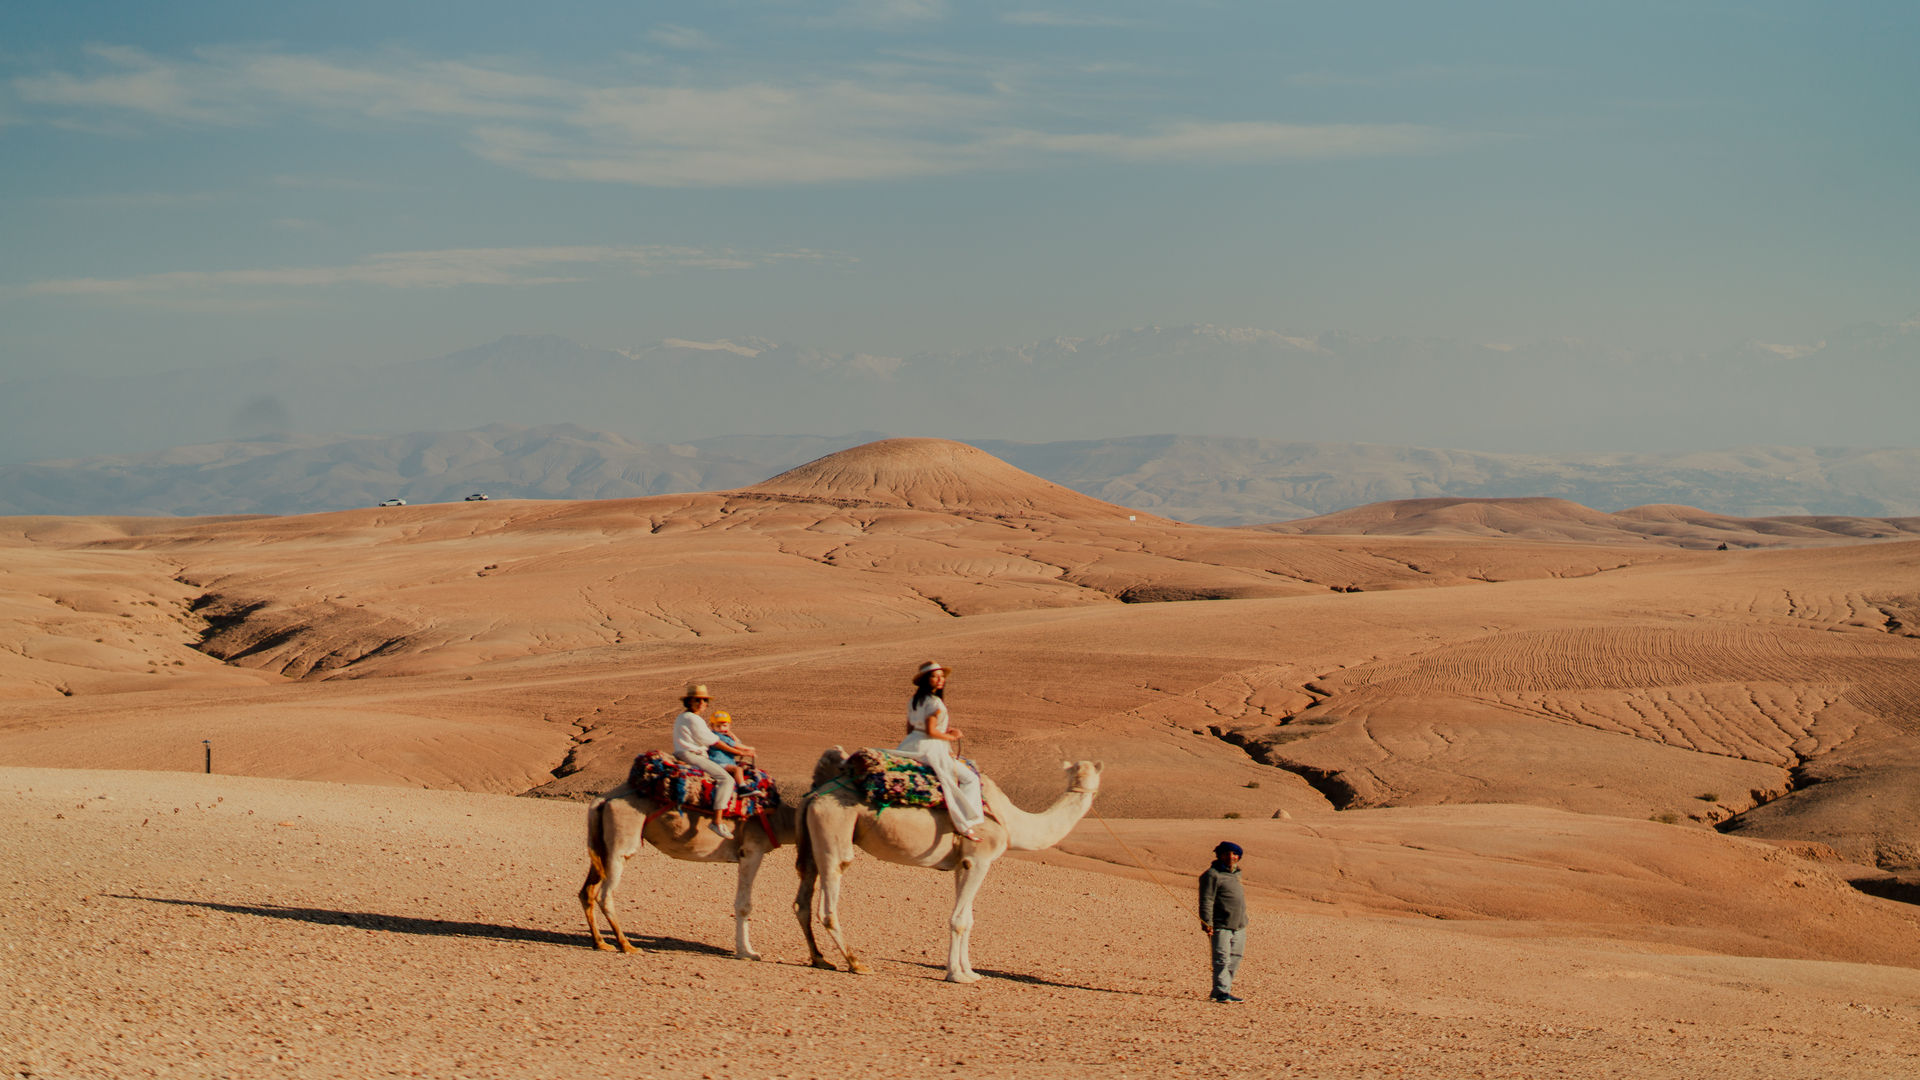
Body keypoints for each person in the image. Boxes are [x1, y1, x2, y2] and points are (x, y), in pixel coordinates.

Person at [895, 660, 987, 842]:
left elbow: (911, 728)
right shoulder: (935, 703)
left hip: (911, 744)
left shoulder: (914, 700)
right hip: (930, 748)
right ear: (926, 680)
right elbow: (931, 731)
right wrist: (952, 737)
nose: (940, 680)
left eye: (941, 676)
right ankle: (964, 823)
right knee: (970, 779)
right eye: (935, 677)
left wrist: (943, 734)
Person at [670, 684, 738, 839]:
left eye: (704, 700)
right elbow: (713, 741)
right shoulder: (692, 718)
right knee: (726, 779)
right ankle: (717, 821)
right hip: (691, 755)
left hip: (687, 754)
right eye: (697, 700)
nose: (701, 703)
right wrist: (739, 752)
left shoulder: (684, 717)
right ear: (689, 701)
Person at [1198, 841, 1248, 1003]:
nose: (1231, 857)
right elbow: (1206, 900)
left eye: (1234, 854)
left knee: (1235, 958)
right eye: (1227, 854)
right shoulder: (1212, 875)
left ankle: (1223, 990)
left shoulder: (1236, 874)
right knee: (1222, 959)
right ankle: (1221, 992)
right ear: (1220, 855)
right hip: (1220, 925)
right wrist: (1207, 922)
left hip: (1239, 925)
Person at [706, 711, 756, 789]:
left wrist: (732, 735)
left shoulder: (725, 736)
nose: (721, 728)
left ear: (729, 726)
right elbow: (735, 745)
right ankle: (742, 787)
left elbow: (737, 742)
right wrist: (749, 748)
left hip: (726, 762)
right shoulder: (717, 736)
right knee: (738, 769)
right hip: (719, 763)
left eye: (725, 726)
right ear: (712, 726)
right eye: (718, 726)